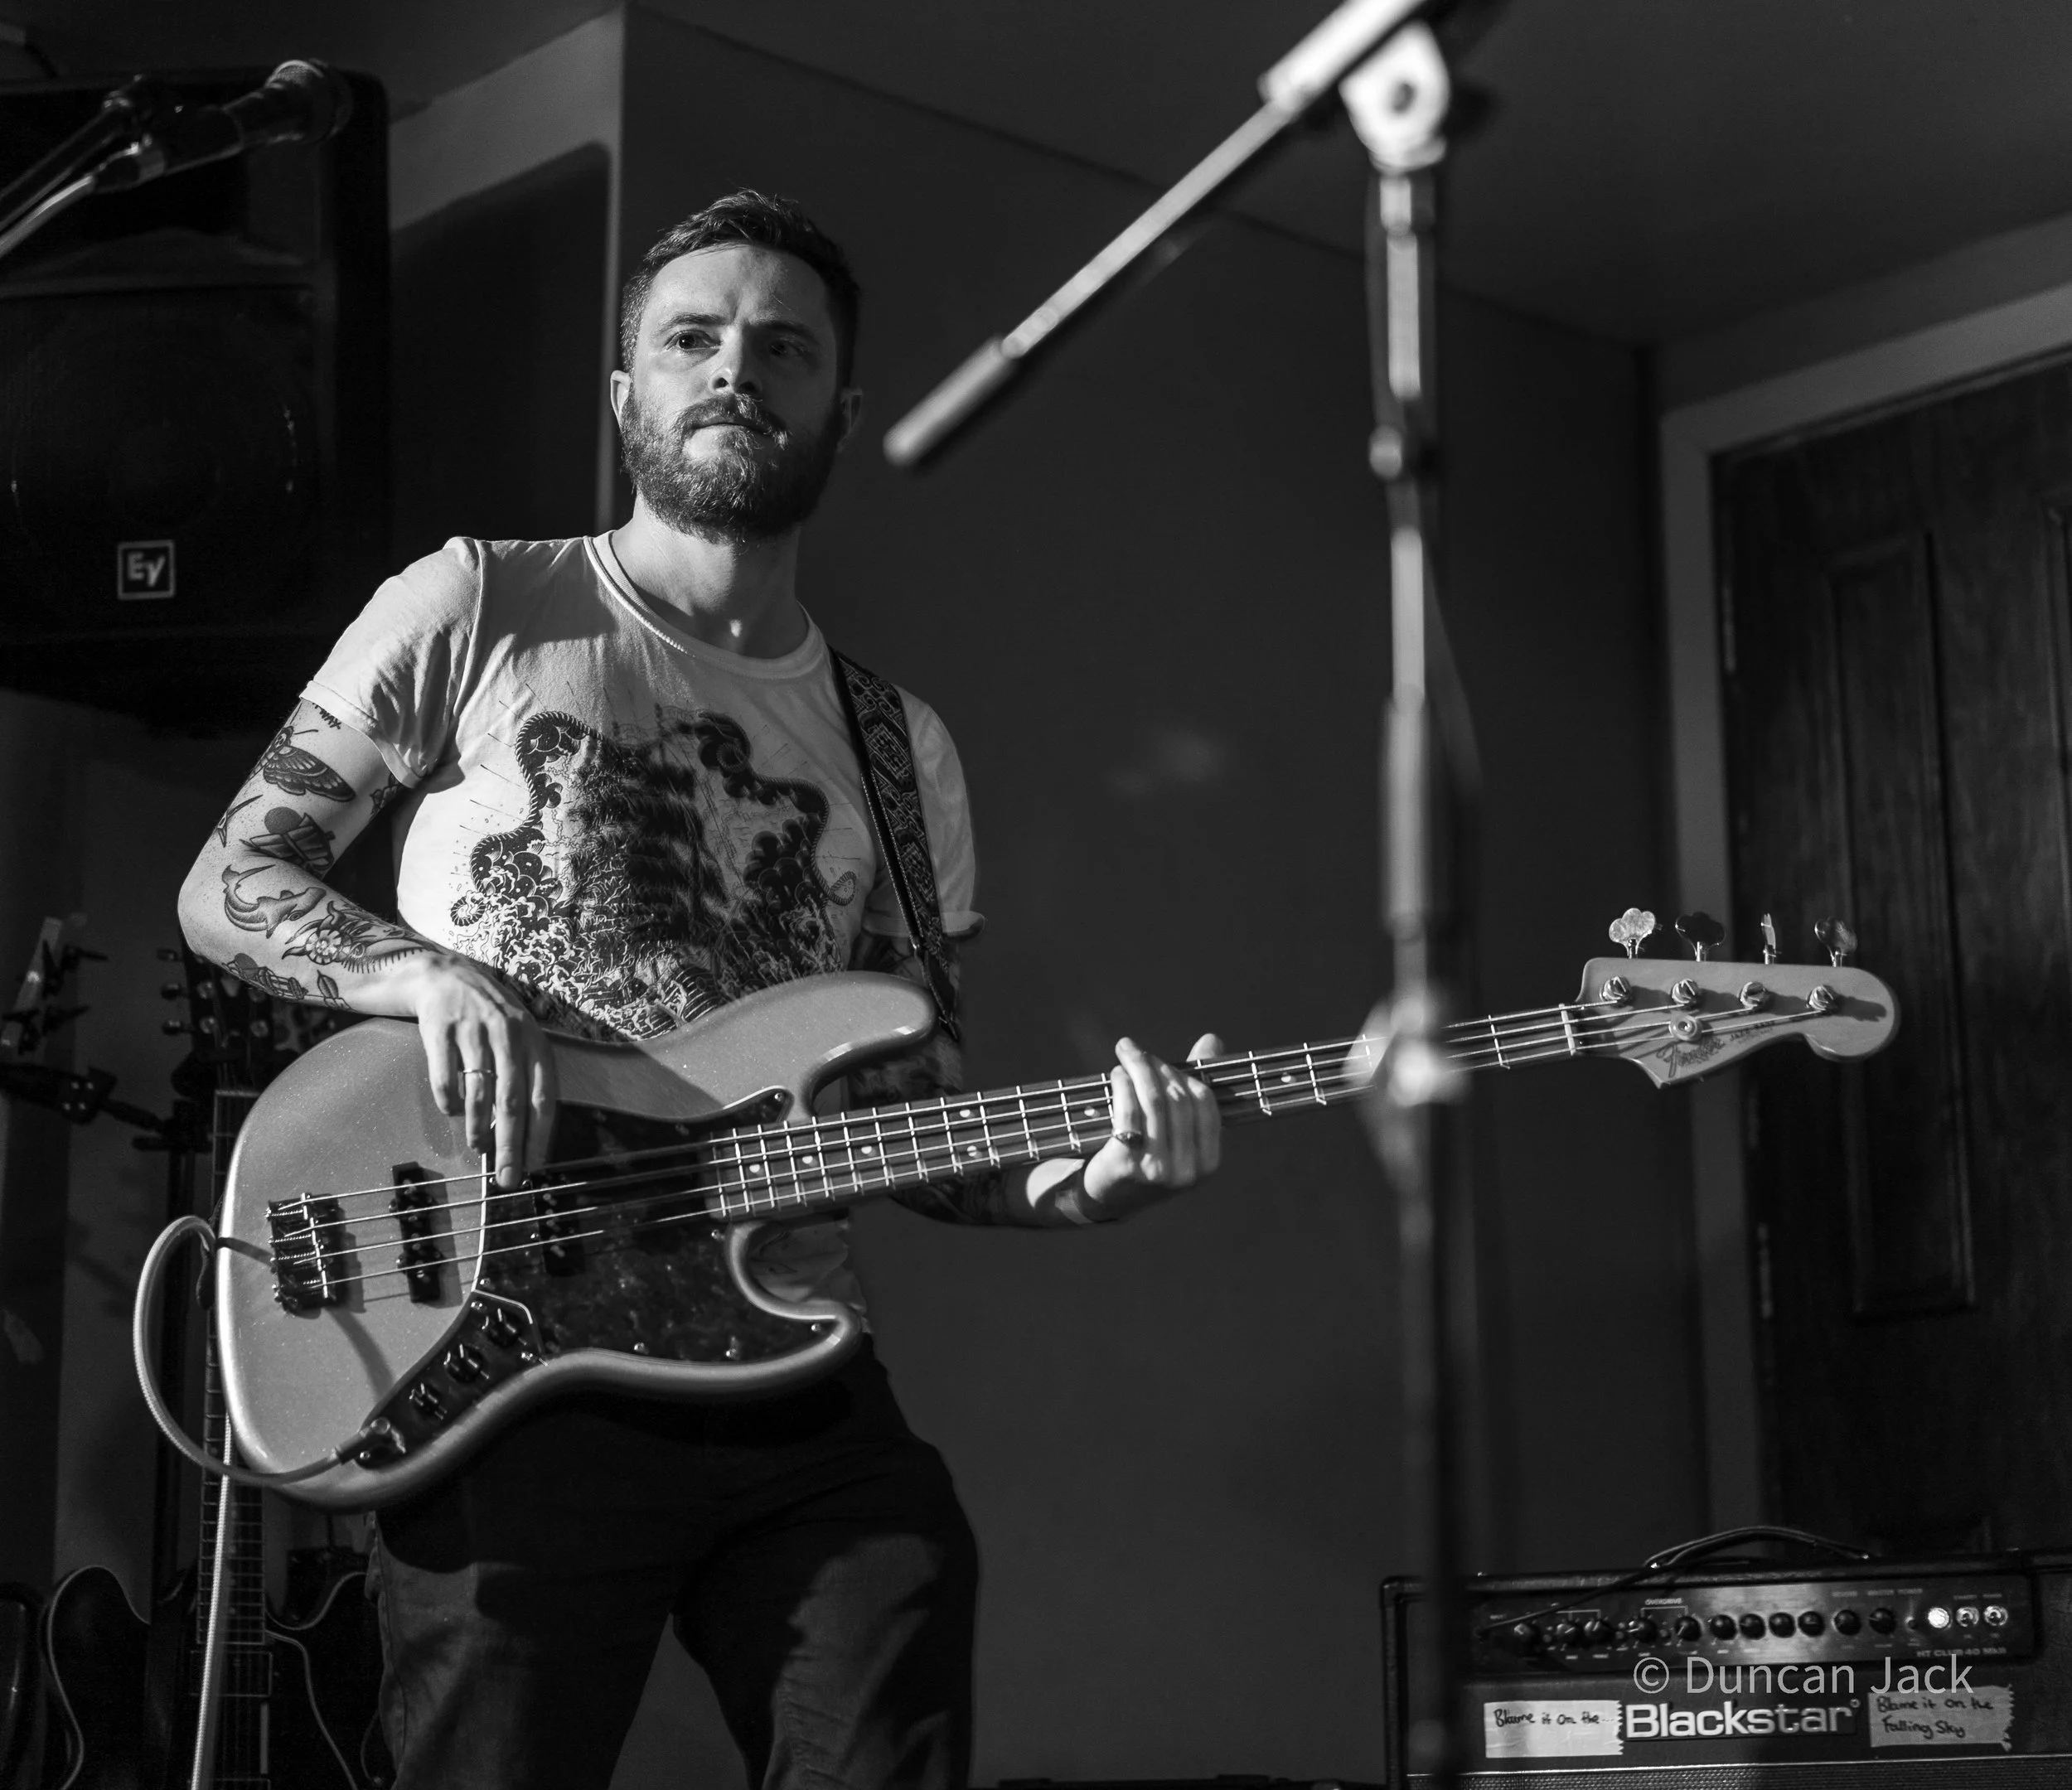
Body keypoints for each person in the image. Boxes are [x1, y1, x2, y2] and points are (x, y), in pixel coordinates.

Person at [177, 190, 1224, 1790]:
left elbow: (901, 1110)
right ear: (628, 394)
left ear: (842, 412)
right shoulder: (479, 604)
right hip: (496, 1340)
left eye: (785, 348)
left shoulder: (902, 752)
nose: (738, 369)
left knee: (907, 1583)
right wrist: (420, 973)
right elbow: (229, 879)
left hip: (787, 1360)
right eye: (694, 339)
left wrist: (1082, 1185)